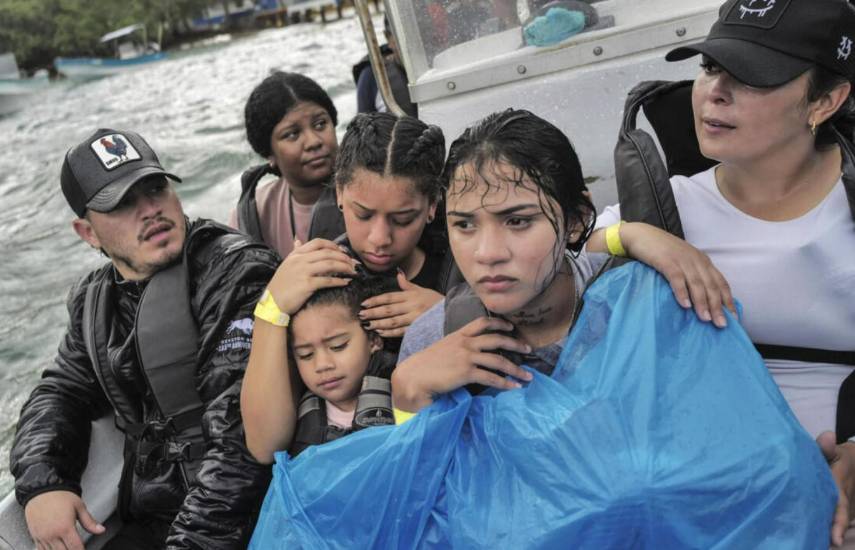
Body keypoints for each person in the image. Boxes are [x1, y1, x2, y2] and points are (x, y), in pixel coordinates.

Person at [587, 0, 855, 544]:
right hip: (700, 492)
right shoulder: (666, 210)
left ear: (825, 101)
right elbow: (553, 262)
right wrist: (634, 237)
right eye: (709, 67)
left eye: (753, 78)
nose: (715, 92)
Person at [10, 128, 279, 550]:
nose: (150, 210)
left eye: (155, 189)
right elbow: (60, 391)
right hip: (157, 515)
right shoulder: (95, 302)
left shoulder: (235, 274)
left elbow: (239, 442)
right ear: (88, 233)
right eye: (122, 204)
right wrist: (43, 482)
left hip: (250, 513)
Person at [241, 111, 450, 464]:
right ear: (339, 193)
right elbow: (264, 446)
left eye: (403, 219)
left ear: (432, 206)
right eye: (363, 215)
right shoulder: (310, 282)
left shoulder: (461, 267)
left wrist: (448, 314)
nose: (379, 239)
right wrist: (271, 308)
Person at [391, 108, 599, 412]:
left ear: (577, 220)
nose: (487, 253)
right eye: (464, 225)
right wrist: (407, 401)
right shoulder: (430, 341)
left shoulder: (634, 302)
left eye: (517, 221)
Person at [275, 275, 395, 458]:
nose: (322, 365)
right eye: (305, 355)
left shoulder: (404, 396)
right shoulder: (294, 418)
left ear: (374, 340)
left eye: (338, 346)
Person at [230, 71, 343, 259]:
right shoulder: (252, 215)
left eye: (321, 124)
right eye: (292, 134)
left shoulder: (374, 186)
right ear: (268, 153)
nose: (313, 141)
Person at [353, 16, 418, 118]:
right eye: (402, 33)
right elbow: (362, 130)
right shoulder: (371, 75)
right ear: (388, 38)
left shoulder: (439, 64)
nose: (411, 41)